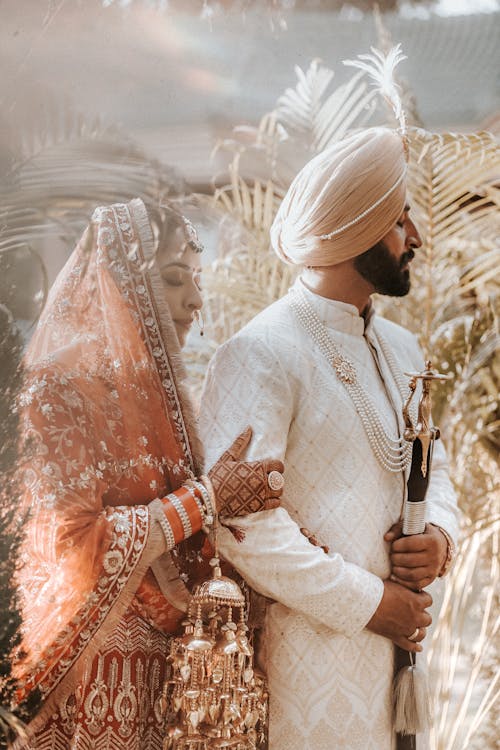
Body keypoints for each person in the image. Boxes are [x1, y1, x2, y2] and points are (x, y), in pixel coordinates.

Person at [199, 127, 459, 750]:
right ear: (358, 233)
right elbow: (241, 528)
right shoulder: (262, 352)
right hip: (303, 665)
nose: (416, 238)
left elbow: (435, 465)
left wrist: (440, 539)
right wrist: (373, 605)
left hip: (397, 662)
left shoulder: (401, 348)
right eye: (401, 223)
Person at [12, 198, 284, 750]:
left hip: (165, 687)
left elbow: (177, 536)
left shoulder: (161, 404)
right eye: (173, 278)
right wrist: (205, 500)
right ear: (118, 285)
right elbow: (70, 544)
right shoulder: (55, 390)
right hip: (85, 688)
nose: (195, 302)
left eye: (197, 281)